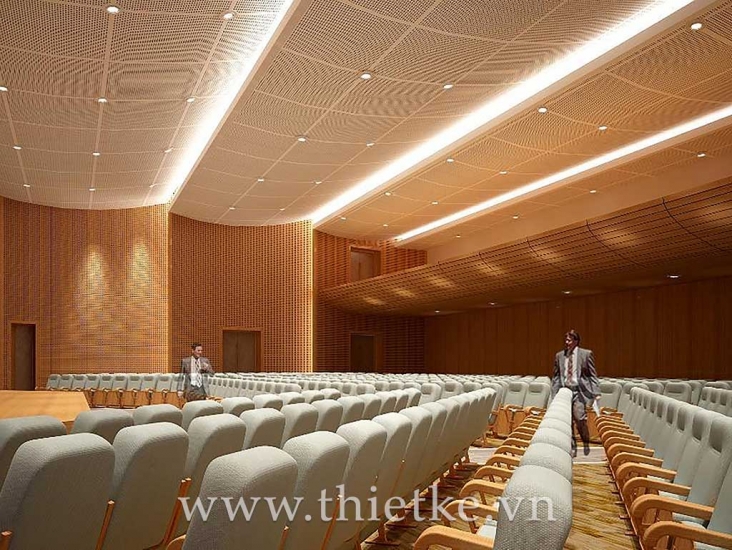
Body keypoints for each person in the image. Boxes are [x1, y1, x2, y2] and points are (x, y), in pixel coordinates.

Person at [551, 330, 601, 457]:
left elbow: (592, 375)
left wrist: (596, 392)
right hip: (565, 391)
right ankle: (572, 447)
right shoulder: (559, 356)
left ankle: (585, 438)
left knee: (579, 418)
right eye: (566, 340)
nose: (566, 342)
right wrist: (554, 394)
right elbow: (556, 376)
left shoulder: (586, 354)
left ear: (576, 341)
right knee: (567, 420)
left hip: (579, 391)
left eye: (569, 340)